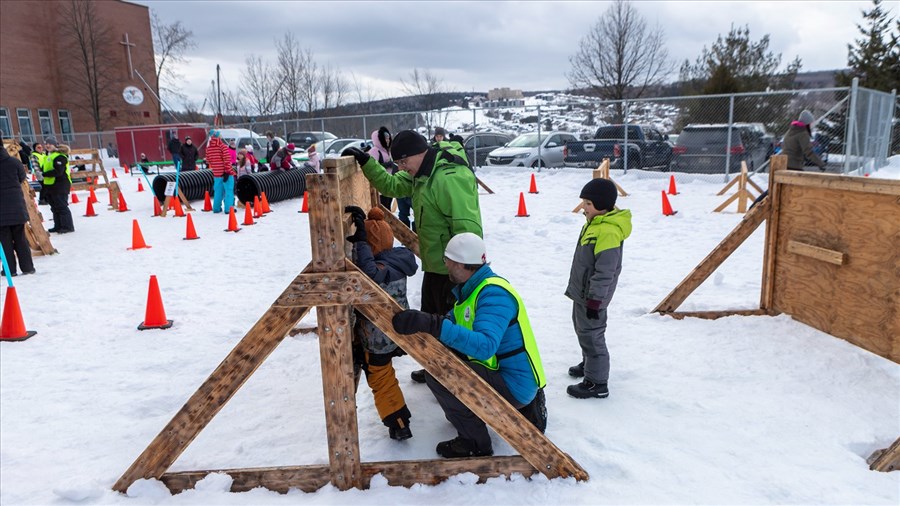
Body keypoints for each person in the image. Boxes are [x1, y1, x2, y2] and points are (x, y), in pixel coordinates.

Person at [343, 130, 483, 384]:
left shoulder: (448, 178)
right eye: (398, 163)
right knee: (430, 320)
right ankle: (434, 367)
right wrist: (366, 162)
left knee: (451, 325)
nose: (402, 167)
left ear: (419, 153)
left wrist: (465, 271)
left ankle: (455, 377)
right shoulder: (421, 174)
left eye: (404, 161)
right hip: (436, 265)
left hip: (455, 270)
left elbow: (468, 229)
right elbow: (392, 185)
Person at [392, 233, 546, 458]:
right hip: (507, 374)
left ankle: (474, 442)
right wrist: (427, 322)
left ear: (460, 264)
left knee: (439, 373)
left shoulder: (493, 295)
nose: (445, 264)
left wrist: (434, 325)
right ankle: (469, 414)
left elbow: (485, 346)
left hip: (515, 384)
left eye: (447, 260)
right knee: (445, 358)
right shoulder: (474, 288)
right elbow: (454, 322)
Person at [345, 205, 418, 441]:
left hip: (378, 337)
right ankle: (399, 418)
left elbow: (370, 273)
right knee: (383, 372)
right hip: (392, 332)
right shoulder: (397, 260)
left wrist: (361, 242)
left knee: (380, 377)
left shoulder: (380, 269)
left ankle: (398, 423)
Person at [565, 178, 632, 399]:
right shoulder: (595, 224)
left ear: (601, 205)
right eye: (584, 202)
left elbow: (605, 271)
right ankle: (589, 365)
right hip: (582, 292)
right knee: (582, 330)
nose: (583, 208)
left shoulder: (608, 231)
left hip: (593, 297)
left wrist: (595, 300)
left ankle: (597, 383)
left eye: (588, 204)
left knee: (592, 336)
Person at [0, 146, 36, 276]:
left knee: (4, 240)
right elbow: (22, 178)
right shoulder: (14, 162)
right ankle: (27, 267)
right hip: (16, 205)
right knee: (21, 238)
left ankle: (9, 269)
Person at [41, 137, 74, 234]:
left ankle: (67, 226)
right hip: (50, 185)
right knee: (54, 207)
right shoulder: (48, 156)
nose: (47, 145)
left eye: (50, 144)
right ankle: (58, 225)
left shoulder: (60, 157)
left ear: (55, 145)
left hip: (60, 185)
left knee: (61, 206)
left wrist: (44, 174)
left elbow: (58, 171)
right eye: (46, 144)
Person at [206, 130, 235, 214]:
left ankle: (216, 208)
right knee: (228, 191)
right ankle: (228, 209)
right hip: (226, 173)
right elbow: (227, 160)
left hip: (216, 173)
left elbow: (208, 160)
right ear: (218, 136)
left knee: (218, 191)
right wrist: (228, 171)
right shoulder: (222, 146)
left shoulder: (208, 148)